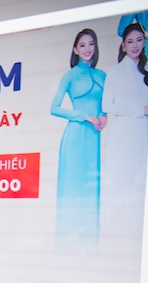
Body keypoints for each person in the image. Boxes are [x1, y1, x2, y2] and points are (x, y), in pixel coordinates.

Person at [50, 29, 107, 250]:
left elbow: (106, 105)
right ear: (75, 49)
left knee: (91, 189)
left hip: (94, 139)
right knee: (71, 189)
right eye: (82, 45)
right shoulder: (71, 75)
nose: (87, 49)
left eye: (91, 44)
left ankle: (90, 244)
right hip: (75, 136)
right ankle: (66, 243)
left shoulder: (103, 75)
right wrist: (84, 116)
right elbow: (54, 108)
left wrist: (103, 116)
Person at [101, 23, 148, 246]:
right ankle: (118, 239)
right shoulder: (116, 71)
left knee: (140, 185)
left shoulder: (145, 71)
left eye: (139, 40)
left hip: (143, 133)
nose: (135, 45)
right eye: (130, 41)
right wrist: (140, 110)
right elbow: (108, 104)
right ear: (123, 44)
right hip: (124, 134)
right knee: (121, 185)